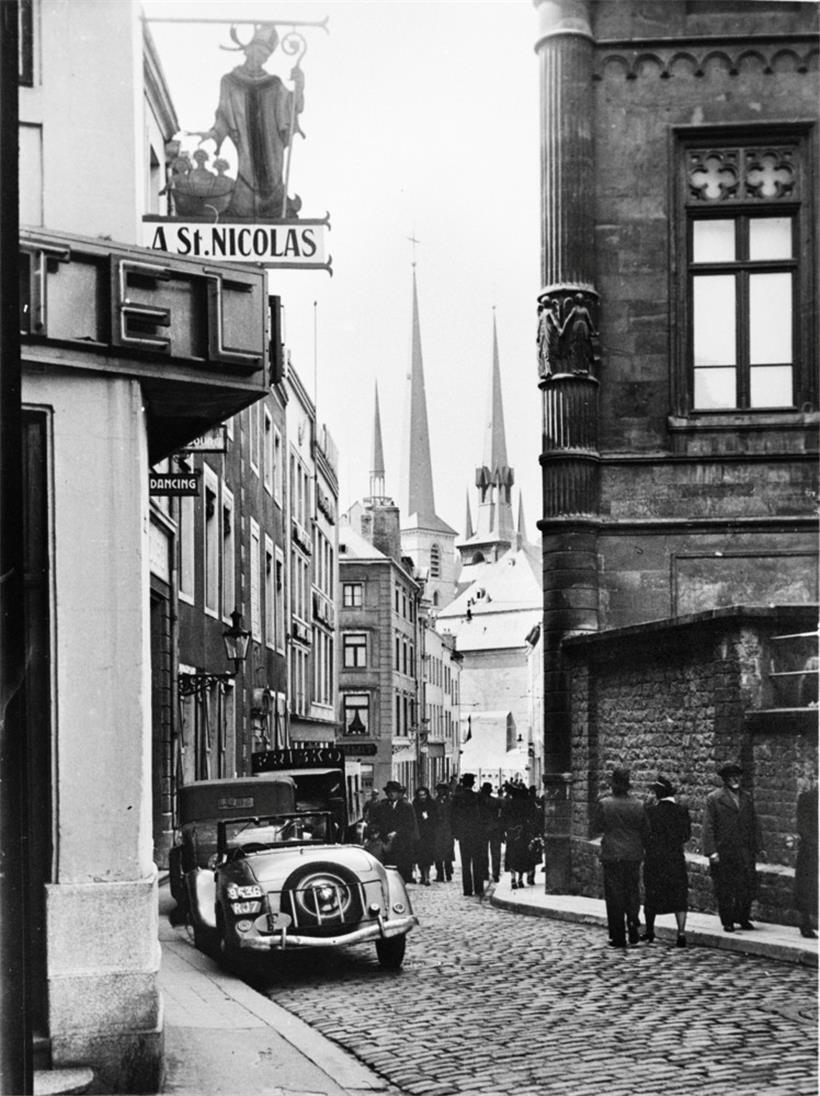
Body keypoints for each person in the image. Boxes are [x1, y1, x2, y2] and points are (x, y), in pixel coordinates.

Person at [198, 23, 305, 218]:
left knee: (273, 176)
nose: (261, 59)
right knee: (247, 174)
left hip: (272, 146)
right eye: (259, 53)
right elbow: (223, 115)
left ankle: (278, 208)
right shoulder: (229, 81)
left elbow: (291, 108)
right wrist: (214, 133)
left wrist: (300, 86)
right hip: (246, 144)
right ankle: (245, 208)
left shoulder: (273, 83)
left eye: (265, 56)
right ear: (248, 50)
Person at [591, 767, 649, 949]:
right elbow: (646, 830)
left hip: (612, 855)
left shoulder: (604, 804)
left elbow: (597, 826)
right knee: (632, 891)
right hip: (633, 855)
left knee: (615, 895)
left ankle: (617, 936)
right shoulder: (639, 805)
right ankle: (633, 921)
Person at [702, 761, 762, 933]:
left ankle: (743, 917)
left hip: (744, 850)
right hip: (724, 850)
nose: (735, 780)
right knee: (725, 887)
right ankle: (727, 920)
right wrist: (711, 851)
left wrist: (759, 846)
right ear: (725, 779)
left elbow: (754, 823)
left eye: (737, 776)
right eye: (731, 777)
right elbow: (708, 827)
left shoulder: (747, 797)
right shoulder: (714, 799)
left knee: (746, 886)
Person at [642, 775, 691, 947]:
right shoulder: (682, 810)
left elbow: (645, 836)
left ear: (657, 794)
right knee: (679, 896)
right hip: (675, 859)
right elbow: (686, 835)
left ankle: (649, 930)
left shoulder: (650, 812)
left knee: (652, 895)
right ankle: (681, 933)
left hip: (654, 860)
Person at [367, 781, 419, 884]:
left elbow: (410, 824)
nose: (391, 794)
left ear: (399, 793)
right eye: (389, 792)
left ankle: (402, 885)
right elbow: (374, 821)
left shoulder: (406, 806)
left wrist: (397, 832)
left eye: (394, 792)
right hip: (385, 841)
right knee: (387, 866)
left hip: (402, 842)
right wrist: (375, 831)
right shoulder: (381, 806)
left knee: (403, 867)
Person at [450, 774, 488, 897]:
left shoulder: (457, 798)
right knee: (478, 862)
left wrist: (456, 833)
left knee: (465, 863)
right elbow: (484, 816)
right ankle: (479, 888)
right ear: (472, 784)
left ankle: (467, 889)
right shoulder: (478, 797)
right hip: (477, 834)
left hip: (464, 835)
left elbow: (453, 817)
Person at [502, 783, 540, 889]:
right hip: (523, 832)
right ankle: (520, 879)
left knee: (512, 854)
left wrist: (505, 831)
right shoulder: (527, 803)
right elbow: (533, 817)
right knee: (522, 855)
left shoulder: (509, 803)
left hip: (512, 832)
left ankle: (513, 878)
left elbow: (504, 818)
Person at [794, 784, 817, 939]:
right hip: (811, 850)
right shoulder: (807, 798)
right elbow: (802, 827)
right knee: (807, 886)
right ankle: (805, 923)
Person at [412, 786, 439, 886]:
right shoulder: (415, 804)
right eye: (420, 795)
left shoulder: (432, 804)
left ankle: (427, 876)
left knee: (428, 857)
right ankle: (423, 875)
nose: (422, 797)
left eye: (424, 795)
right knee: (420, 857)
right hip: (419, 835)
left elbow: (436, 818)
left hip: (429, 835)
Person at [479, 782, 503, 883]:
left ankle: (485, 873)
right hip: (495, 829)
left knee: (483, 852)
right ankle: (495, 874)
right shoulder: (496, 801)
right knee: (496, 852)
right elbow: (500, 815)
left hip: (483, 829)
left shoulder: (480, 802)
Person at [433, 782, 454, 882]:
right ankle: (439, 874)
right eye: (439, 790)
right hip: (437, 830)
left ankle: (448, 872)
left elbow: (455, 816)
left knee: (448, 852)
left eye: (442, 789)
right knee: (437, 853)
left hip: (448, 830)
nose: (440, 792)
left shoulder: (451, 802)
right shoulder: (435, 802)